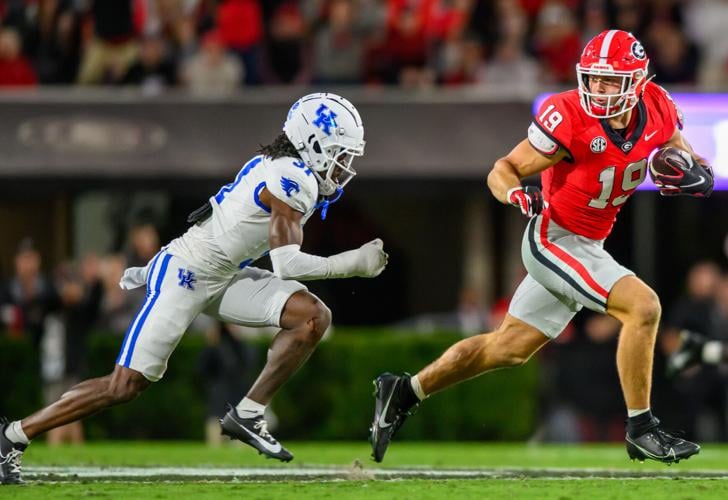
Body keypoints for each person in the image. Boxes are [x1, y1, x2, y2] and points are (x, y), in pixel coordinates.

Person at [1, 93, 387, 485]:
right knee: (123, 385)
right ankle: (11, 436)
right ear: (314, 145)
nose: (344, 168)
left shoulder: (284, 168)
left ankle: (249, 413)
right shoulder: (293, 178)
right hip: (186, 273)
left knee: (313, 317)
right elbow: (285, 264)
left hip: (223, 275)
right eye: (341, 155)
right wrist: (352, 263)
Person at [369, 30, 711, 465]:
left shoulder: (659, 106)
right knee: (643, 307)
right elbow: (504, 168)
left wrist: (695, 172)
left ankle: (403, 390)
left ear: (639, 81)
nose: (599, 90)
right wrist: (515, 194)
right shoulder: (568, 114)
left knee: (507, 348)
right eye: (594, 79)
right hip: (555, 237)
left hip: (590, 243)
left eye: (611, 81)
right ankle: (642, 428)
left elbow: (680, 153)